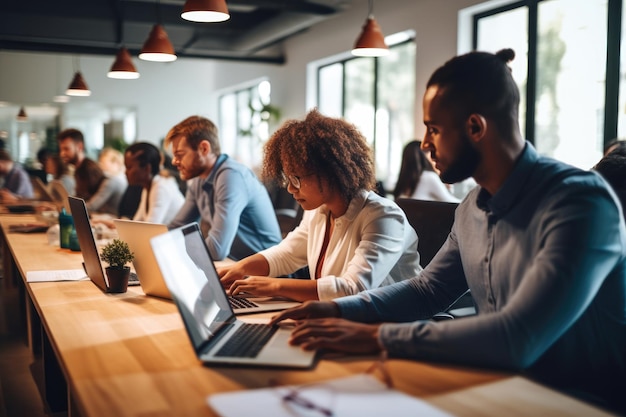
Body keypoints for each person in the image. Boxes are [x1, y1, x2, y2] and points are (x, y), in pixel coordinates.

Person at [269, 49, 626, 414]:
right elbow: (428, 291)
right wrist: (339, 312)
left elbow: (517, 338)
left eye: (433, 129)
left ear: (475, 127)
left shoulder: (580, 203)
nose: (425, 144)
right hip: (499, 387)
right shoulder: (471, 206)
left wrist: (374, 335)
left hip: (580, 402)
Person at [218, 109, 422, 302]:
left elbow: (352, 289)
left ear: (330, 172)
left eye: (296, 178)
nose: (290, 188)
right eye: (287, 178)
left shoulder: (383, 217)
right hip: (346, 320)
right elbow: (287, 253)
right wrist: (240, 268)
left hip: (396, 327)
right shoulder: (319, 211)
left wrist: (274, 286)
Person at [165, 115, 282, 261]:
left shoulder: (231, 177)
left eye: (179, 155)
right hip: (236, 266)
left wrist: (169, 249)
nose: (174, 161)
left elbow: (216, 249)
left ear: (204, 148)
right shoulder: (199, 181)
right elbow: (177, 227)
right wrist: (154, 245)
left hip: (268, 272)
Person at [57, 129, 124, 216]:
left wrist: (65, 209)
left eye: (66, 149)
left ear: (79, 147)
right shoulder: (79, 169)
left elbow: (90, 206)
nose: (62, 154)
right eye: (61, 149)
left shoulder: (89, 169)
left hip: (103, 219)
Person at [124, 142, 184, 224]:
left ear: (147, 169)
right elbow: (137, 223)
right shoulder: (148, 187)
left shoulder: (161, 187)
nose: (125, 172)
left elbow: (150, 227)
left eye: (129, 167)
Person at [393, 139, 459, 202]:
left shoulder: (403, 181)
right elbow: (452, 202)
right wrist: (450, 189)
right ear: (424, 155)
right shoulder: (428, 177)